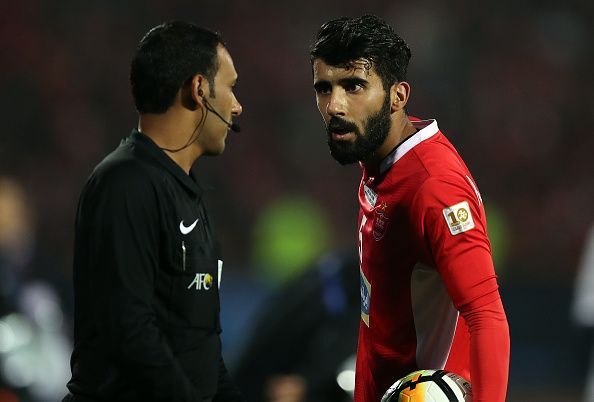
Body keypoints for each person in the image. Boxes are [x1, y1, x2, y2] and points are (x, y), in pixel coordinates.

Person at [309, 15, 509, 402]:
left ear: (398, 96)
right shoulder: (378, 156)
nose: (334, 105)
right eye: (324, 88)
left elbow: (487, 315)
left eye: (353, 86)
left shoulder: (434, 187)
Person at [63, 21, 243, 402]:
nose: (237, 105)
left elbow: (201, 348)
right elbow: (130, 333)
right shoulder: (125, 185)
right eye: (230, 87)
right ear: (199, 90)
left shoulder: (184, 190)